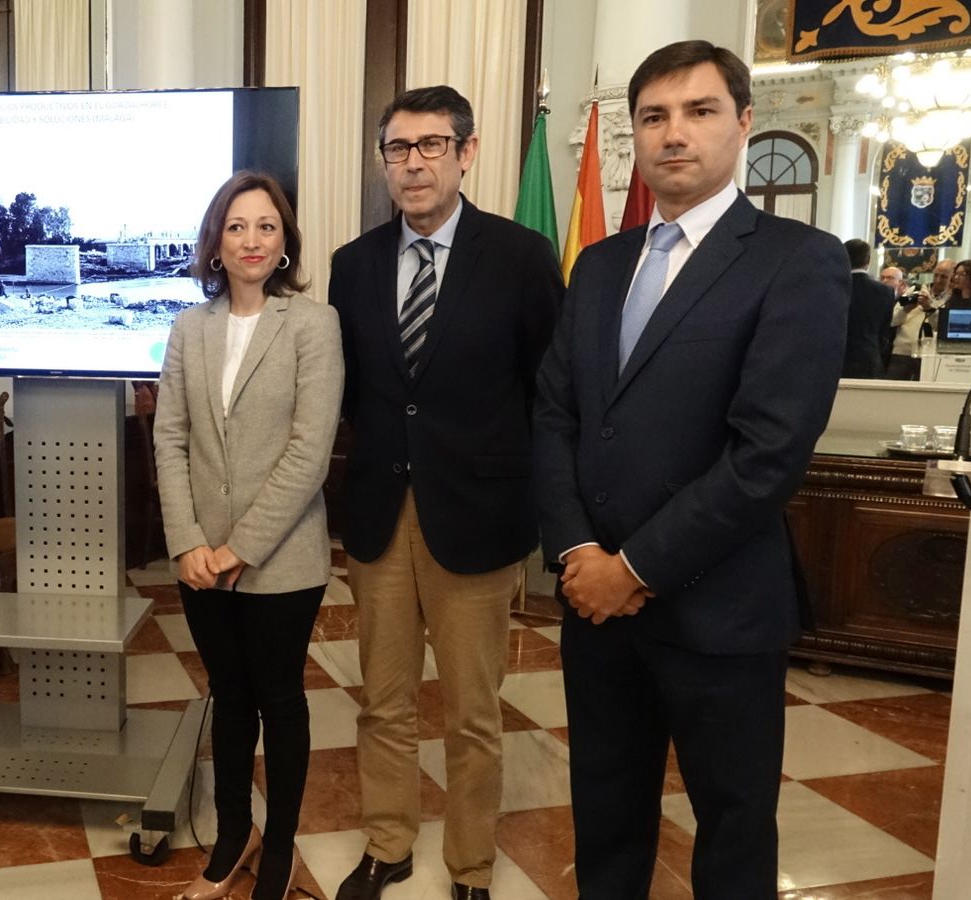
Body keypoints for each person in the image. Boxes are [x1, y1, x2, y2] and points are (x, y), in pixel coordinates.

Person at [533, 41, 848, 899]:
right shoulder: (598, 266)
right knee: (605, 815)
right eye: (654, 117)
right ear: (635, 133)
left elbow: (767, 453)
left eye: (699, 111)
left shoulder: (796, 260)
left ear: (744, 123)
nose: (675, 134)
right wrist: (576, 558)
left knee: (734, 827)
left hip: (719, 612)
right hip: (595, 609)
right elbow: (556, 418)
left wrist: (632, 568)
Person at [328, 86, 563, 900]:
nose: (414, 162)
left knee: (472, 714)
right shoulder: (352, 265)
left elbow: (548, 396)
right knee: (382, 702)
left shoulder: (522, 256)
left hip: (480, 518)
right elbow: (353, 391)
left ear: (467, 153)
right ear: (384, 160)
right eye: (398, 148)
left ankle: (469, 866)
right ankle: (388, 843)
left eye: (432, 145)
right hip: (381, 518)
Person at [155, 170, 343, 900]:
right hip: (200, 561)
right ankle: (232, 838)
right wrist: (188, 543)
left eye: (266, 226)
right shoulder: (188, 327)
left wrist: (240, 548)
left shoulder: (313, 324)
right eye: (237, 226)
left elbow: (310, 450)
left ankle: (279, 852)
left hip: (282, 562)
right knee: (227, 698)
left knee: (279, 700)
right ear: (217, 240)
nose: (251, 239)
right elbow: (170, 441)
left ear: (285, 241)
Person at [840, 239, 893, 378]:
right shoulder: (885, 291)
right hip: (869, 357)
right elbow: (884, 331)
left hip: (838, 357)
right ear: (868, 260)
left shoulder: (834, 287)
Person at [884, 261, 945, 380]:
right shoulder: (913, 290)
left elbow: (940, 327)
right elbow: (891, 320)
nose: (938, 280)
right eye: (936, 275)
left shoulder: (952, 299)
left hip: (930, 356)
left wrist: (929, 308)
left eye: (944, 277)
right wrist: (905, 309)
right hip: (902, 353)